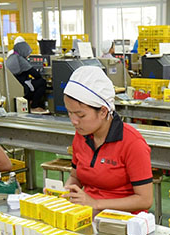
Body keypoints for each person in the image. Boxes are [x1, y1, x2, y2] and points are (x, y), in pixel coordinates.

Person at [62, 66, 153, 214]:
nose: (74, 121)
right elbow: (75, 176)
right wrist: (64, 194)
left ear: (103, 111)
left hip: (123, 222)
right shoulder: (81, 136)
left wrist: (96, 203)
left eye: (80, 115)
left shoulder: (132, 143)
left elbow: (145, 200)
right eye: (69, 113)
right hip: (89, 214)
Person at [6, 40, 48, 114]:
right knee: (42, 82)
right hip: (23, 87)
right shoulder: (21, 60)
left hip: (12, 87)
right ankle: (34, 106)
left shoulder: (10, 58)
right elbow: (36, 75)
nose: (28, 55)